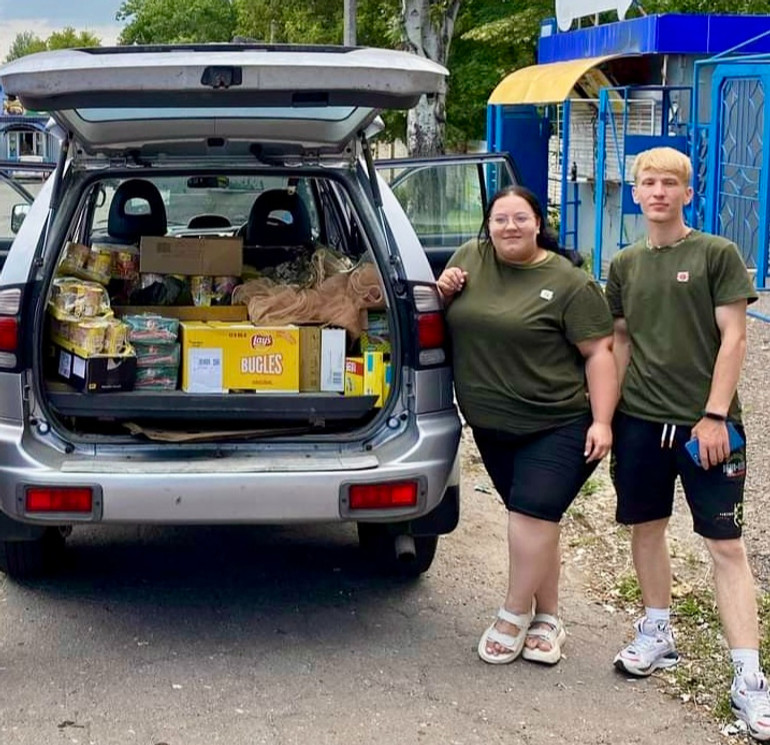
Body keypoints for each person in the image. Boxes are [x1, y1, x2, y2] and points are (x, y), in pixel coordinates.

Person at [606, 146, 770, 741]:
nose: (657, 192)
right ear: (635, 192)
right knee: (645, 527)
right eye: (647, 182)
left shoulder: (716, 254)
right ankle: (657, 632)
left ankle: (749, 677)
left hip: (707, 426)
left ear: (687, 193)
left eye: (669, 183)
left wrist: (714, 416)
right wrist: (607, 416)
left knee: (725, 545)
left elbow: (734, 341)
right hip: (641, 424)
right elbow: (620, 341)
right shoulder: (623, 263)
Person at [437, 185, 617, 666]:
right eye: (500, 219)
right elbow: (443, 318)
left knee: (530, 516)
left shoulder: (569, 282)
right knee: (535, 523)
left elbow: (600, 354)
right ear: (488, 225)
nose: (509, 227)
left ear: (539, 223)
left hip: (557, 422)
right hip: (492, 426)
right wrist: (444, 291)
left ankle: (514, 614)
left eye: (520, 218)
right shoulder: (470, 259)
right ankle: (550, 618)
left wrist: (602, 421)